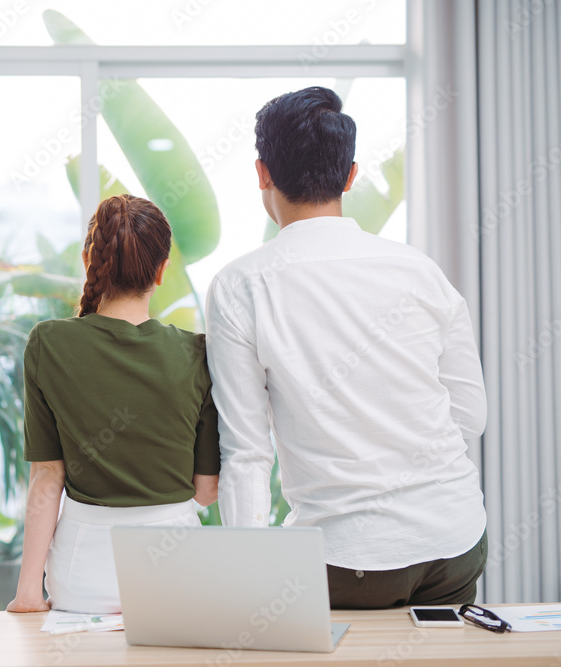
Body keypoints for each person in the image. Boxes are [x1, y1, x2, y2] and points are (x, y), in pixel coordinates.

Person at [206, 87, 488, 608]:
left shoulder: (240, 285)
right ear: (350, 176)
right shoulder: (420, 271)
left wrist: (245, 577)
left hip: (340, 560)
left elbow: (247, 453)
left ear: (262, 173)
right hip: (453, 544)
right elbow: (470, 415)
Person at [6, 194, 221, 614]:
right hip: (179, 569)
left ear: (90, 260)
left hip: (82, 576)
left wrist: (28, 593)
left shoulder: (48, 343)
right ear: (161, 271)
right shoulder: (197, 354)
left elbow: (47, 478)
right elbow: (206, 489)